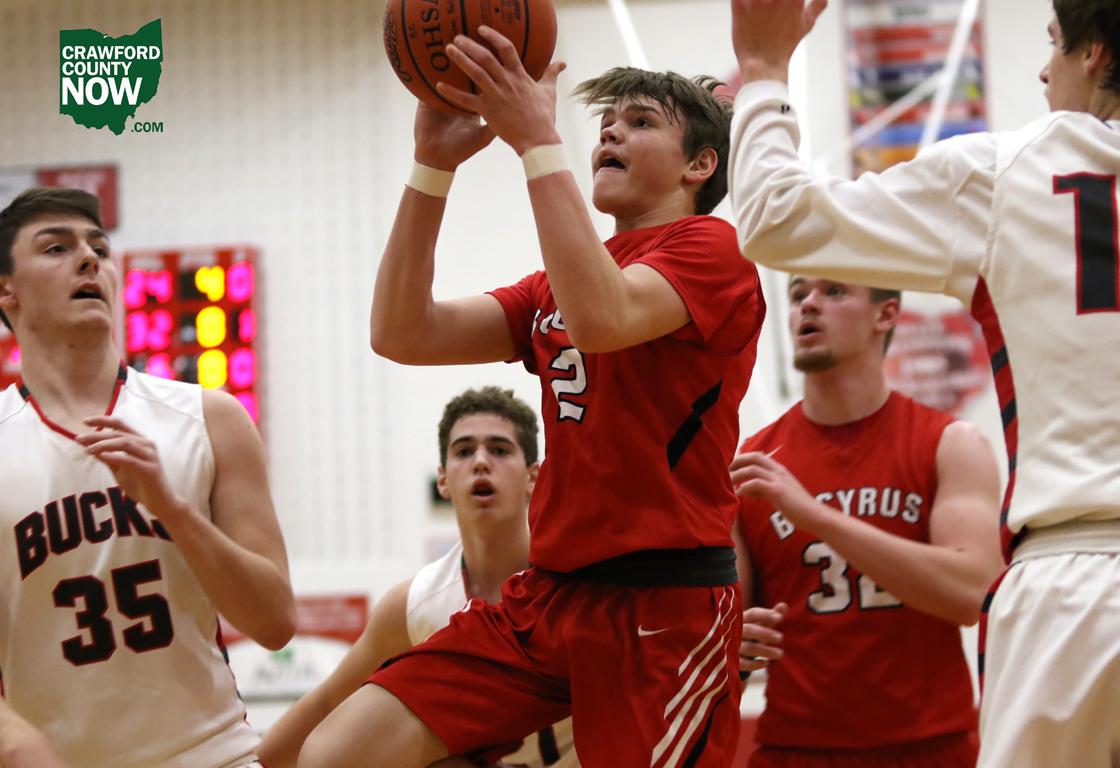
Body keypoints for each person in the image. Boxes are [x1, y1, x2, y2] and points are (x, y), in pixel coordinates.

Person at [727, 0, 1120, 764]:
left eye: (1055, 44)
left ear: (1096, 55)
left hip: (1066, 579)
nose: (1043, 70)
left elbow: (776, 218)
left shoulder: (1002, 172)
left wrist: (763, 71)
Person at [298, 31, 764, 768]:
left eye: (640, 121)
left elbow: (604, 318)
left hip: (662, 603)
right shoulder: (556, 284)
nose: (610, 131)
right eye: (605, 122)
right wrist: (432, 167)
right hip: (547, 597)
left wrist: (538, 142)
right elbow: (401, 331)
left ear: (699, 165)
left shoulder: (715, 250)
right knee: (337, 754)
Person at [0, 187, 296, 768]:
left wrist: (174, 510)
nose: (89, 260)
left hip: (215, 756)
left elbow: (275, 622)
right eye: (57, 248)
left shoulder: (211, 418)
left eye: (99, 249)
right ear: (6, 290)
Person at [731, 276, 1002, 767]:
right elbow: (728, 636)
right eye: (797, 295)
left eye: (833, 292)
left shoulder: (950, 444)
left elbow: (973, 593)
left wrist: (814, 515)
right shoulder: (754, 463)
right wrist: (732, 644)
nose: (809, 304)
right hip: (796, 750)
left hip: (929, 749)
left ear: (887, 314)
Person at [258, 386, 575, 768]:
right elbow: (328, 702)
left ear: (533, 477)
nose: (480, 462)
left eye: (499, 449)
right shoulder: (415, 604)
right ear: (442, 480)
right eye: (463, 451)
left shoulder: (574, 581)